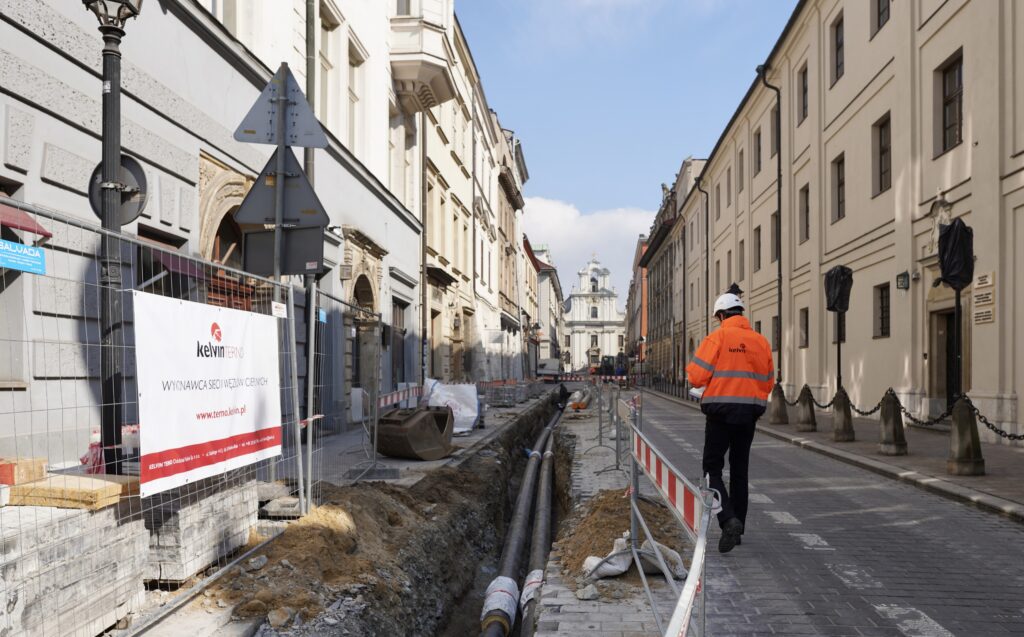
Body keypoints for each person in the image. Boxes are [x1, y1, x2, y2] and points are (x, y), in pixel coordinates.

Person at [686, 292, 774, 553]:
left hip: (720, 413)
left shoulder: (718, 337)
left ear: (722, 315)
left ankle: (727, 519)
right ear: (741, 312)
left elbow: (696, 376)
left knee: (712, 468)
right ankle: (738, 529)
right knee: (739, 469)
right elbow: (768, 382)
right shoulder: (761, 341)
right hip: (749, 414)